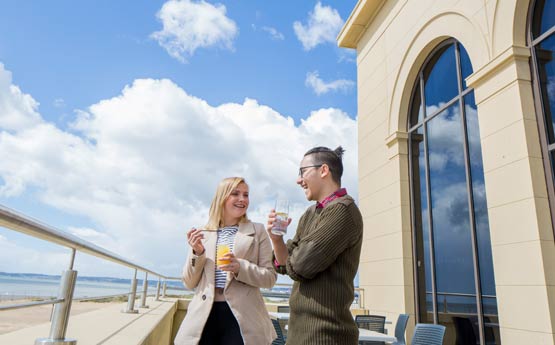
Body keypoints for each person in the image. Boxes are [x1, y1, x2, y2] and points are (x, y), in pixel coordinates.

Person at [267, 146, 363, 345]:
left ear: (324, 170)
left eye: (302, 172)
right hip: (299, 333)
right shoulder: (311, 213)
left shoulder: (342, 211)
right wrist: (276, 239)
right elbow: (285, 265)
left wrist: (290, 257)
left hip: (326, 336)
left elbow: (300, 266)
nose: (298, 180)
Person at [175, 177, 277, 345]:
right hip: (204, 315)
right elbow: (189, 282)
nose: (242, 199)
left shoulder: (258, 231)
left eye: (246, 195)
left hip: (243, 317)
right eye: (235, 194)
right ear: (222, 197)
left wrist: (240, 267)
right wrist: (197, 253)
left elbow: (270, 278)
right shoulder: (202, 233)